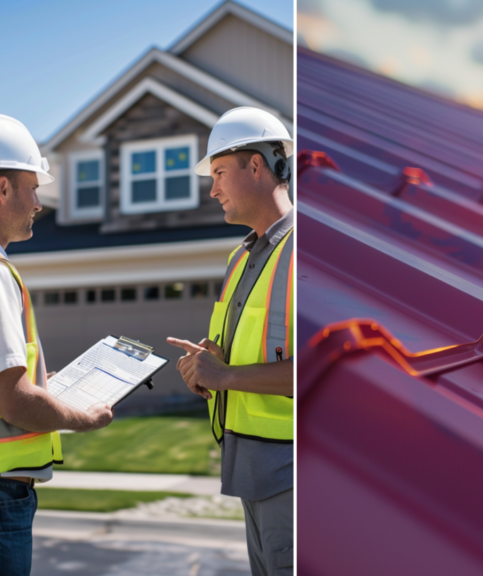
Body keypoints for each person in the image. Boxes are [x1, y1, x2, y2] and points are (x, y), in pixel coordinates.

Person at [0, 115, 113, 575]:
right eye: (32, 186)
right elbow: (13, 401)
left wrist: (48, 383)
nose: (39, 203)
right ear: (2, 189)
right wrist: (83, 418)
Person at [167, 107, 293, 576]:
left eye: (219, 172)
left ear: (256, 166)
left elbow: (328, 371)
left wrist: (229, 375)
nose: (213, 187)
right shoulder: (241, 257)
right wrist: (210, 366)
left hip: (294, 473)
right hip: (250, 471)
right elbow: (248, 351)